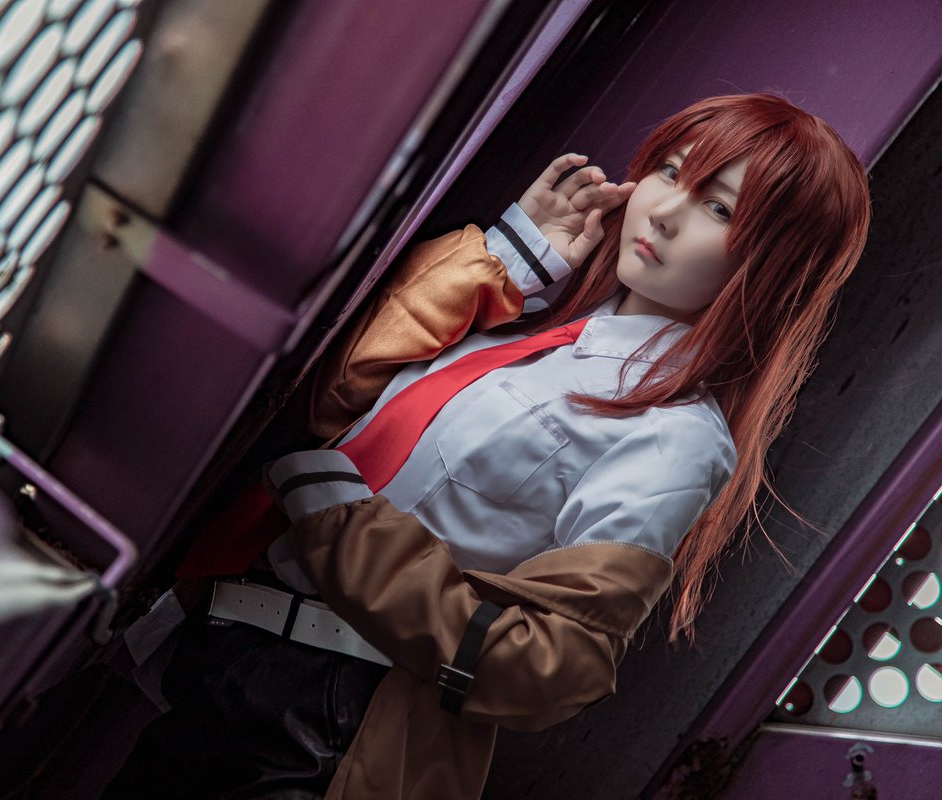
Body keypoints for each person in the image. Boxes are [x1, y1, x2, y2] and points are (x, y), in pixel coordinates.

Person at [106, 93, 871, 799]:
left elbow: (550, 666)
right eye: (671, 171)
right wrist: (509, 256)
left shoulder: (676, 437)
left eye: (718, 207)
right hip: (229, 671)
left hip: (333, 726)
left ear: (771, 265)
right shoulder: (539, 330)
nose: (667, 211)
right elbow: (331, 396)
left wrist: (346, 527)